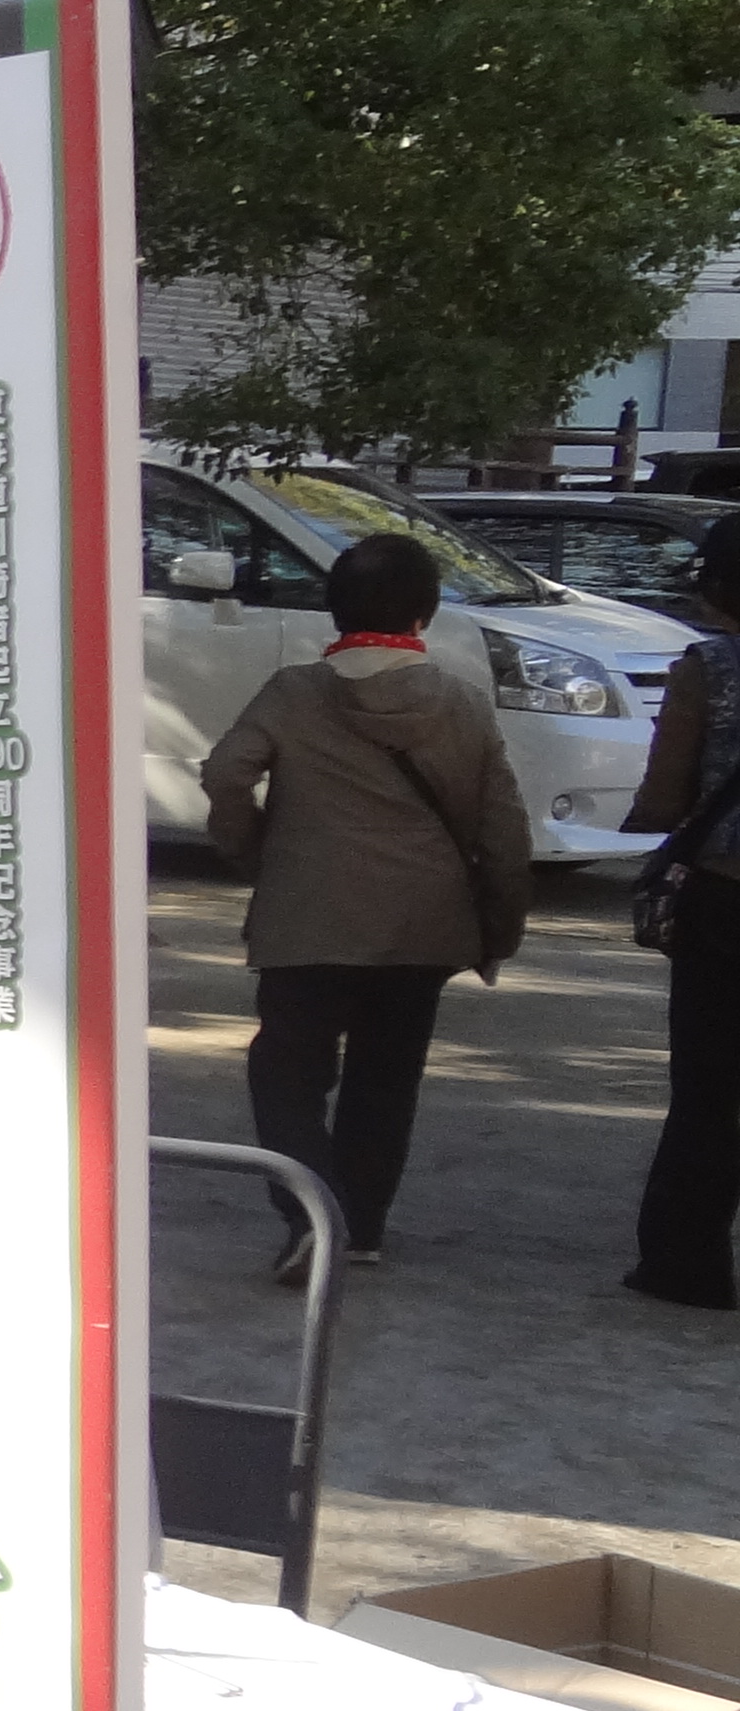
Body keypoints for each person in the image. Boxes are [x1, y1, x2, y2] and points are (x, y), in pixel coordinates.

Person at [200, 530, 530, 1280]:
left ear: (333, 609)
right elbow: (504, 834)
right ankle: (365, 1226)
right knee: (387, 1078)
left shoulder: (292, 693)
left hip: (306, 916)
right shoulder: (462, 704)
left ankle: (312, 1211)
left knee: (286, 1073)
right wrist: (498, 932)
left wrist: (254, 854)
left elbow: (225, 775)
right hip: (424, 926)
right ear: (427, 613)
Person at [617, 514, 740, 1308]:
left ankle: (686, 1261)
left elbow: (667, 795)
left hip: (726, 897)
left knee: (707, 1083)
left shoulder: (707, 669)